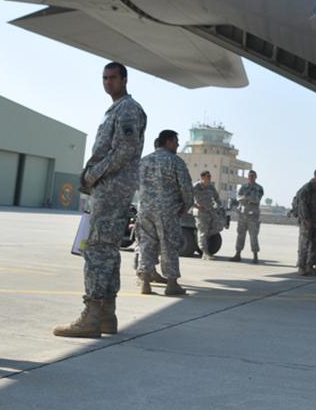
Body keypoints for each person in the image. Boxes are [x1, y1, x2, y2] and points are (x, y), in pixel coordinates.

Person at [55, 62, 146, 338]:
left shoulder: (128, 109)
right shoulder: (117, 109)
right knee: (107, 249)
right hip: (110, 187)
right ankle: (106, 315)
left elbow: (125, 150)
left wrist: (92, 175)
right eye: (104, 78)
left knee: (96, 248)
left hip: (112, 187)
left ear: (125, 79)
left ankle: (92, 315)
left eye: (113, 78)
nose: (108, 83)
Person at [135, 130, 192, 296]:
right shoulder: (175, 161)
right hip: (167, 211)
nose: (178, 145)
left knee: (146, 244)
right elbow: (186, 187)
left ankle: (145, 282)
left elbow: (136, 184)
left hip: (145, 209)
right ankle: (172, 283)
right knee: (169, 245)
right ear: (168, 142)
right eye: (176, 141)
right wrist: (186, 205)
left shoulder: (143, 161)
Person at [294, 168, 316, 276]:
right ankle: (301, 266)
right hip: (307, 222)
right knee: (304, 244)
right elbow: (302, 205)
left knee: (315, 244)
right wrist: (306, 219)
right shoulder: (307, 189)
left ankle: (309, 266)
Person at [231, 170, 264, 263]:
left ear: (256, 177)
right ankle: (237, 254)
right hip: (242, 214)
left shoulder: (259, 188)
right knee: (240, 235)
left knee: (253, 236)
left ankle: (255, 256)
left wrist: (246, 198)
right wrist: (247, 199)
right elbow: (238, 197)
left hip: (253, 216)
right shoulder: (243, 187)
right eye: (249, 176)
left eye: (253, 176)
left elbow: (257, 199)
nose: (251, 177)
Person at [193, 170, 222, 260]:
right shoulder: (196, 186)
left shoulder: (211, 186)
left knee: (219, 226)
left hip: (210, 211)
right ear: (202, 177)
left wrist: (217, 205)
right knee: (202, 232)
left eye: (210, 176)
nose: (210, 178)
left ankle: (202, 239)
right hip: (201, 212)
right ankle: (205, 253)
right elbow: (188, 197)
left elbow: (217, 198)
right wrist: (196, 206)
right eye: (208, 176)